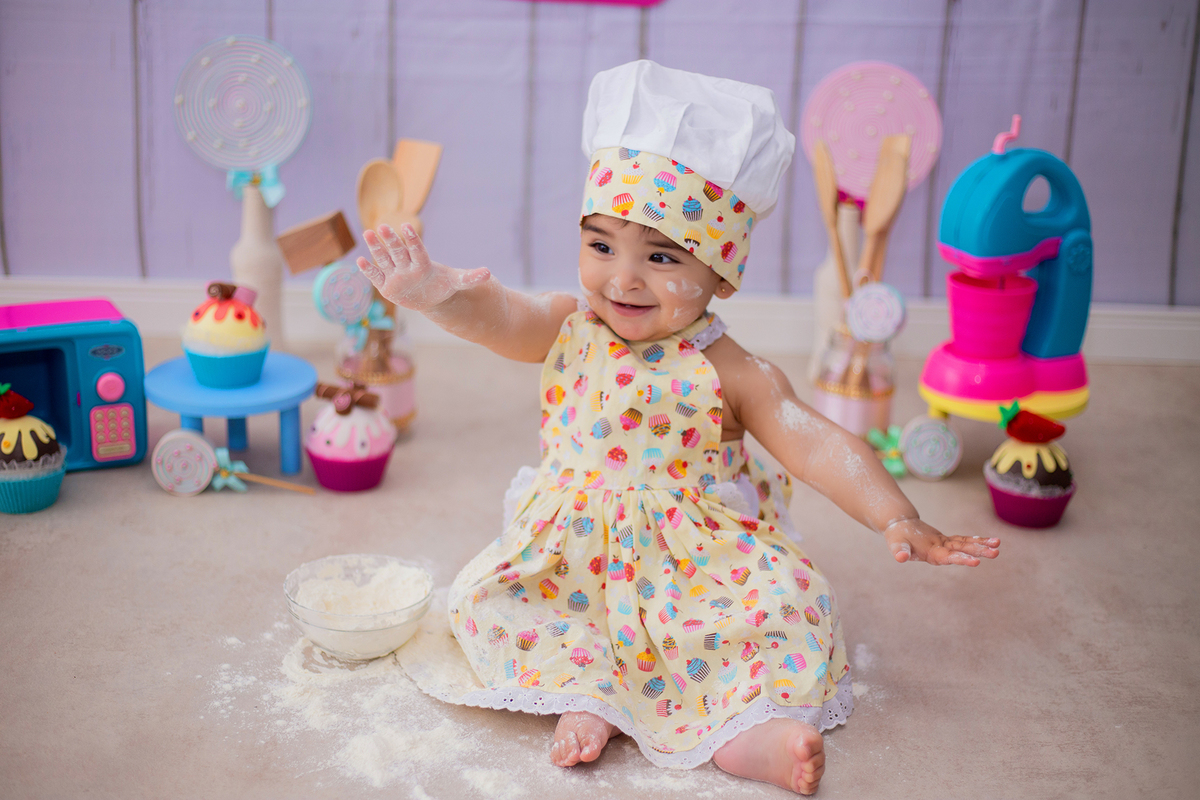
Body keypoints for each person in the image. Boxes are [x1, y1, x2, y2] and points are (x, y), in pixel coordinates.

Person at [357, 60, 999, 795]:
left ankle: (747, 739)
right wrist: (435, 295)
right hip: (572, 553)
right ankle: (588, 694)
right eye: (601, 246)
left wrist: (897, 513)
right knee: (489, 603)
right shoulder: (571, 324)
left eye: (661, 257)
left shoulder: (733, 371)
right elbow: (498, 316)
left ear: (722, 271)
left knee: (789, 604)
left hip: (691, 561)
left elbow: (814, 440)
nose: (622, 279)